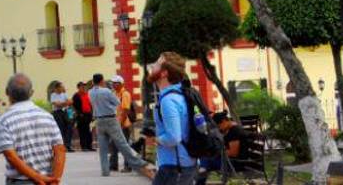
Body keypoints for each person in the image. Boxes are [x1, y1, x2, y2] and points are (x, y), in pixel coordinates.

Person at [0, 73, 66, 185]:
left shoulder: (4, 120)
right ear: (31, 92)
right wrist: (55, 180)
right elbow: (60, 150)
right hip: (48, 180)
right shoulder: (47, 117)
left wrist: (37, 177)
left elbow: (11, 156)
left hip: (20, 181)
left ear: (7, 92)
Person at [89, 73, 152, 177]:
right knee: (123, 144)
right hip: (111, 119)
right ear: (102, 81)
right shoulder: (107, 91)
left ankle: (105, 171)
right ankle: (138, 163)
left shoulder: (90, 92)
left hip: (99, 120)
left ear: (93, 81)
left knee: (103, 147)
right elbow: (117, 102)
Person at [148, 52, 196, 185]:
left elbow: (174, 137)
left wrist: (156, 139)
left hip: (174, 166)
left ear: (164, 73)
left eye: (157, 64)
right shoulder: (180, 94)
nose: (152, 67)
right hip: (183, 162)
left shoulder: (168, 100)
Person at [194, 112, 257, 184]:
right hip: (230, 161)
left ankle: (201, 173)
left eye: (218, 125)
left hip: (235, 163)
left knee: (206, 162)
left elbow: (233, 153)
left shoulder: (235, 131)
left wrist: (218, 152)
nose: (219, 128)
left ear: (224, 121)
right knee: (205, 160)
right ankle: (202, 170)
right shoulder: (231, 129)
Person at [110, 75, 135, 171]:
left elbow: (125, 110)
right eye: (113, 83)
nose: (113, 84)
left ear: (121, 84)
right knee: (113, 144)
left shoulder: (125, 94)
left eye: (115, 83)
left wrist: (120, 123)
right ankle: (113, 165)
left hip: (123, 124)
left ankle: (128, 166)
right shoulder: (114, 93)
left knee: (124, 145)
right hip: (115, 123)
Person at [48, 81, 74, 151]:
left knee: (69, 127)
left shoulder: (64, 94)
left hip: (65, 112)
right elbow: (57, 105)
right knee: (60, 128)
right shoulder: (53, 95)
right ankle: (62, 146)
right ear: (57, 88)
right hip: (57, 112)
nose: (63, 88)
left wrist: (62, 103)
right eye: (61, 87)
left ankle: (68, 145)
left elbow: (71, 102)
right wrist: (65, 103)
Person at [72, 81, 93, 151]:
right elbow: (74, 106)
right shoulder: (76, 96)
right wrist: (79, 114)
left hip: (88, 115)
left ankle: (89, 146)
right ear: (78, 87)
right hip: (81, 115)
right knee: (82, 131)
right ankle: (84, 146)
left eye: (84, 86)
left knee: (89, 131)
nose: (83, 87)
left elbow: (91, 104)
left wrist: (92, 113)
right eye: (82, 86)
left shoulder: (88, 94)